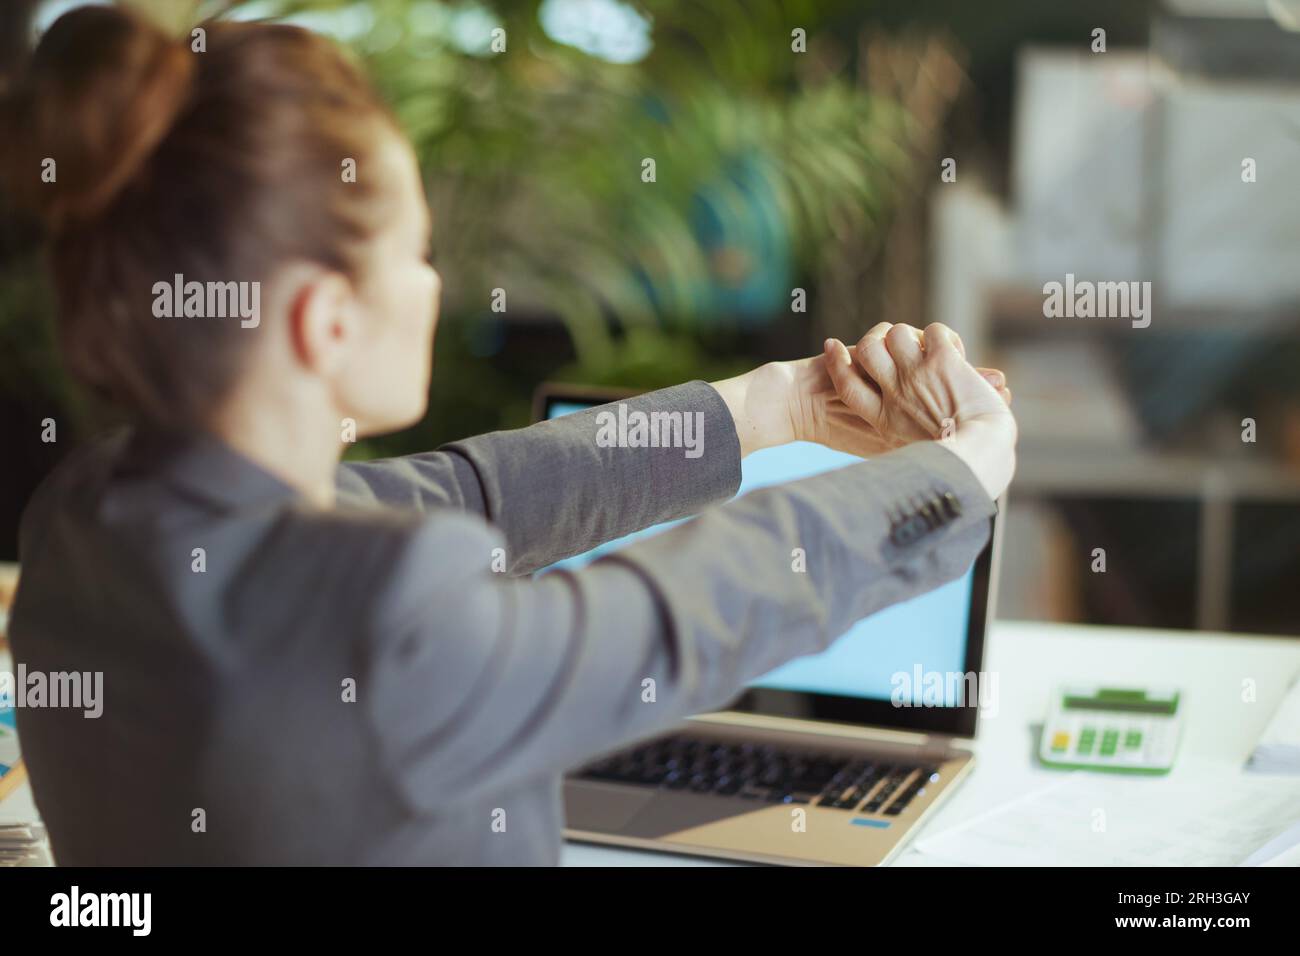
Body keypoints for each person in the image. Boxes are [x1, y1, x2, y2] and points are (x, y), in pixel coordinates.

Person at [0, 6, 1016, 865]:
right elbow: (678, 615)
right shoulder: (386, 612)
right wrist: (953, 472)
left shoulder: (84, 517)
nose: (433, 284)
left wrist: (774, 409)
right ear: (326, 319)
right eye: (417, 249)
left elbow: (468, 492)